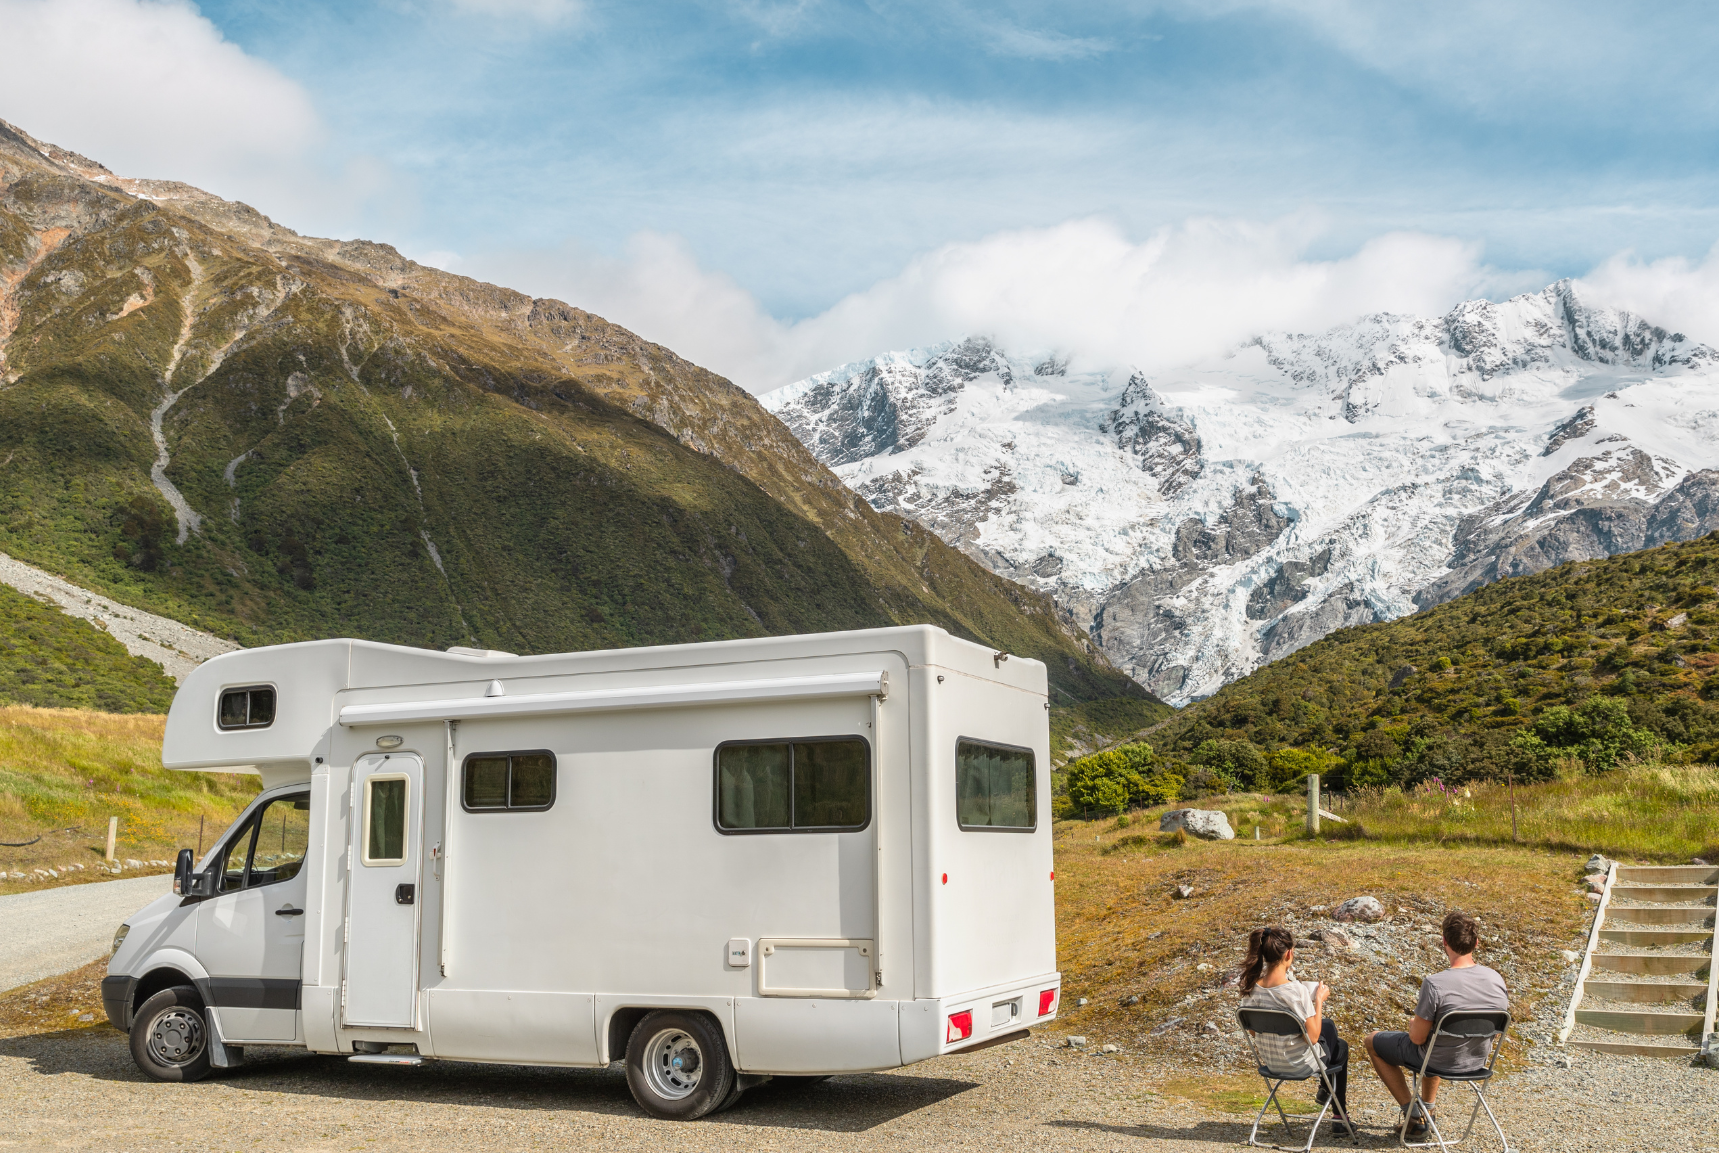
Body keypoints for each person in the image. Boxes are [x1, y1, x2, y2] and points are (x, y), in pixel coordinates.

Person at [1364, 911, 1509, 1138]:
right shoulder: (1496, 979)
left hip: (1438, 1061)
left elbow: (1417, 1039)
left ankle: (1413, 1115)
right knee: (1438, 1038)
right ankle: (1429, 1110)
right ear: (1477, 943)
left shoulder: (1435, 984)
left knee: (1372, 1041)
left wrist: (1415, 1024)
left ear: (1444, 942)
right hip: (1477, 1062)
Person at [1239, 926, 1352, 1136]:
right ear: (1289, 953)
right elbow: (1313, 1037)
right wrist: (1318, 1001)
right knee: (1340, 1045)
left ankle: (1331, 1099)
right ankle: (1338, 1113)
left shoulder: (1251, 988)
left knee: (1328, 1027)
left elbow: (1254, 1032)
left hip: (1272, 1063)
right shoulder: (1295, 991)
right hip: (1298, 1065)